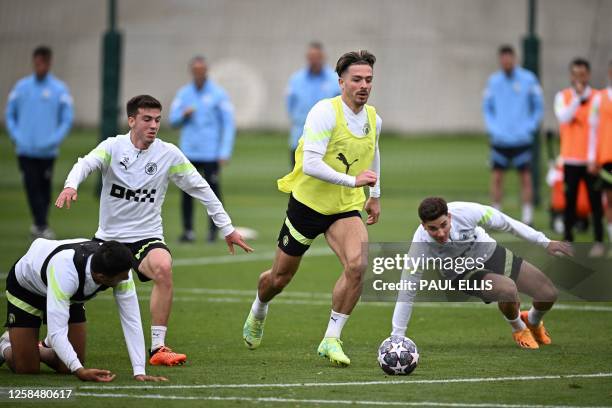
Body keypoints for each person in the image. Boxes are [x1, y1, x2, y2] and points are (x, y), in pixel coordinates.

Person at [55, 95, 253, 366]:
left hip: (146, 238)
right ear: (132, 120)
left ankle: (158, 348)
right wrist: (71, 185)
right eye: (147, 119)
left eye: (158, 120)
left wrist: (227, 228)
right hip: (108, 240)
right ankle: (48, 338)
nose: (153, 125)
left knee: (163, 266)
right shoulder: (113, 147)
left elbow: (201, 187)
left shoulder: (168, 154)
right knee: (76, 287)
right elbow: (86, 163)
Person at [242, 50, 381, 367]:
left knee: (358, 266)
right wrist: (352, 180)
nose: (363, 85)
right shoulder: (324, 112)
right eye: (357, 79)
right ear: (341, 81)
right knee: (279, 279)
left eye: (369, 80)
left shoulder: (373, 118)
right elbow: (310, 164)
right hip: (308, 206)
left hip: (344, 209)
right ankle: (259, 308)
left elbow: (374, 155)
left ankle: (331, 338)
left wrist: (374, 194)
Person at [390, 197, 573, 350]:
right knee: (508, 289)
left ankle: (532, 320)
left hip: (490, 252)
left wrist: (544, 242)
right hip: (461, 273)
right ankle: (519, 328)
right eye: (433, 229)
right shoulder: (419, 247)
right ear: (424, 226)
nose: (440, 233)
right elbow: (407, 290)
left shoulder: (467, 212)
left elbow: (506, 223)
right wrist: (397, 336)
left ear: (450, 217)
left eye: (443, 225)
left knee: (548, 294)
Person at [0, 238, 166, 382]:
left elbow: (131, 319)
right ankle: (5, 345)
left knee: (67, 367)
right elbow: (57, 331)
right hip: (27, 288)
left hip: (70, 294)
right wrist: (79, 370)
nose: (127, 278)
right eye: (123, 277)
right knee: (28, 369)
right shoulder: (66, 272)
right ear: (102, 278)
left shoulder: (118, 268)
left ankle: (37, 349)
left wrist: (139, 372)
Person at [5, 45, 74, 239]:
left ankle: (39, 224)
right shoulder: (21, 87)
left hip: (48, 151)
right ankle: (41, 225)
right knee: (31, 185)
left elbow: (67, 118)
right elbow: (10, 114)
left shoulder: (59, 90)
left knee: (44, 188)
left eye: (43, 63)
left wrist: (55, 139)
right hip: (25, 149)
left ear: (49, 63)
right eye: (37, 63)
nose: (40, 67)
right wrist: (16, 136)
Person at [169, 56, 236, 243]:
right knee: (187, 191)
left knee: (212, 192)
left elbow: (228, 124)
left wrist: (224, 151)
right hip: (188, 151)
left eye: (202, 70)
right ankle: (188, 230)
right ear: (192, 72)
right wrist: (183, 114)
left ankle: (214, 231)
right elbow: (173, 120)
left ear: (206, 71)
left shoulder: (218, 94)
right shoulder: (183, 94)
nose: (199, 73)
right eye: (196, 70)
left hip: (210, 152)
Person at [482, 45, 544, 225]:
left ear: (514, 59)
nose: (506, 62)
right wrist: (493, 128)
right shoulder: (493, 81)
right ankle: (495, 215)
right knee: (497, 177)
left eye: (509, 58)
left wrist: (529, 127)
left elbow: (538, 106)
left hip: (521, 139)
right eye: (503, 59)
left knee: (525, 177)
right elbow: (487, 108)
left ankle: (527, 216)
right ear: (500, 60)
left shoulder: (528, 79)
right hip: (500, 139)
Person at [554, 58, 604, 257]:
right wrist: (577, 98)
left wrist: (595, 158)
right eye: (575, 75)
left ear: (588, 75)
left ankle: (599, 241)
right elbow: (564, 117)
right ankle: (567, 240)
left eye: (582, 75)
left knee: (595, 202)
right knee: (570, 201)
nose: (579, 79)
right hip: (571, 159)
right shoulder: (563, 96)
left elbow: (597, 127)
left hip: (591, 161)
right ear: (571, 76)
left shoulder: (598, 98)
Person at [286, 42, 341, 166]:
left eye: (317, 57)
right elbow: (290, 105)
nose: (314, 60)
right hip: (299, 138)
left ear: (323, 57)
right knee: (297, 182)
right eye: (311, 57)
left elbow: (341, 106)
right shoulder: (296, 79)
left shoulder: (334, 80)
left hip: (328, 142)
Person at [589, 60, 612, 255]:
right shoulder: (600, 98)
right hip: (607, 159)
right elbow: (593, 130)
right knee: (609, 200)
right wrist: (592, 158)